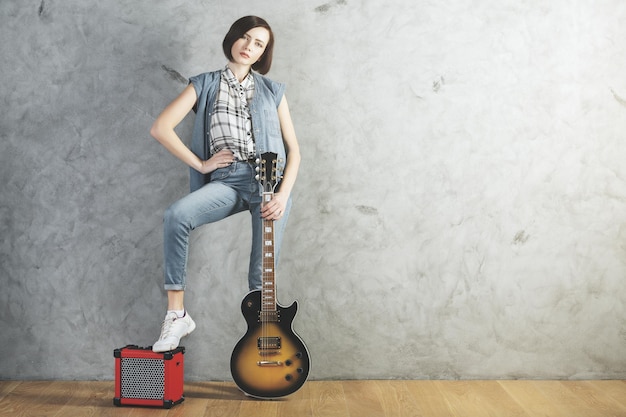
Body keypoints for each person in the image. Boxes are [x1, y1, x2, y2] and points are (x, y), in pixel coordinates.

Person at [149, 16, 301, 353]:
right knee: (177, 215)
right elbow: (161, 127)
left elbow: (295, 151)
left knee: (261, 273)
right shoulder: (203, 84)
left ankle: (264, 349)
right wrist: (201, 164)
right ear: (233, 39)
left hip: (269, 186)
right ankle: (177, 315)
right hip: (229, 182)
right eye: (245, 38)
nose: (249, 46)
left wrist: (283, 194)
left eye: (259, 43)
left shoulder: (273, 91)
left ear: (263, 53)